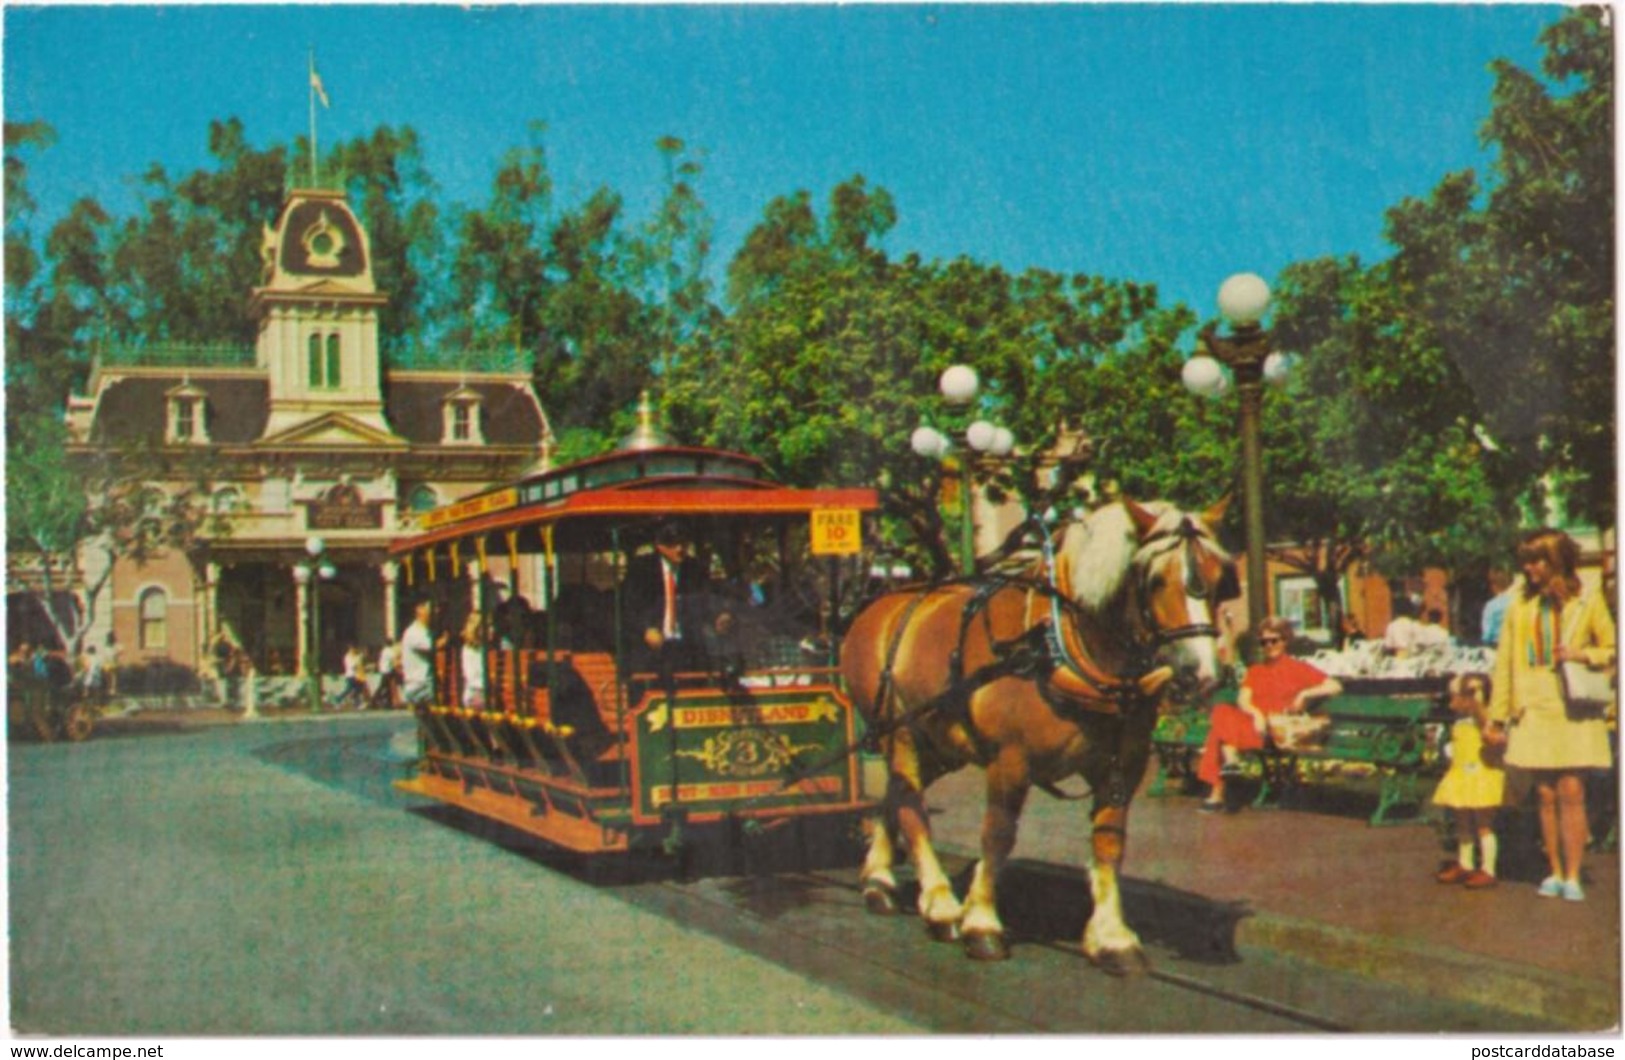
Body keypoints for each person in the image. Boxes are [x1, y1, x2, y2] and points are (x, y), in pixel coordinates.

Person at [1485, 528, 1616, 902]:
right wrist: (1497, 717)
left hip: (1572, 706)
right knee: (1544, 793)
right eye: (1525, 561)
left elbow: (1611, 647)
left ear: (1555, 560)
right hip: (1534, 706)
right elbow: (1506, 663)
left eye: (1536, 560)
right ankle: (1554, 871)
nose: (1528, 568)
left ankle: (1573, 874)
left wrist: (1581, 655)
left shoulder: (1587, 600)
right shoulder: (1519, 606)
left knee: (1572, 790)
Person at [1196, 616, 1344, 813]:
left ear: (1284, 641)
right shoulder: (1256, 670)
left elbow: (1335, 685)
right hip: (1254, 726)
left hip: (1274, 732)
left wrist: (1305, 693)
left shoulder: (1298, 668)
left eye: (1274, 640)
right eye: (1264, 641)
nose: (1269, 645)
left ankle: (1219, 790)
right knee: (1221, 711)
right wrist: (1255, 713)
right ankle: (1230, 765)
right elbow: (1243, 699)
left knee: (1217, 735)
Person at [622, 522, 730, 684]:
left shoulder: (695, 569)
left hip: (687, 649)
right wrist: (645, 629)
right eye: (673, 544)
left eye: (683, 544)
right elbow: (629, 606)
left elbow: (706, 599)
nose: (680, 549)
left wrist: (719, 616)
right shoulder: (641, 569)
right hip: (652, 649)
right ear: (659, 545)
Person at [1432, 673, 1507, 888]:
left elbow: (1491, 732)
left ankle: (1488, 868)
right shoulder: (1460, 721)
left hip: (1481, 776)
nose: (1451, 702)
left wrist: (1478, 700)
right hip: (1462, 775)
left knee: (1484, 824)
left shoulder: (1482, 719)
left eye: (1455, 696)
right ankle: (1465, 863)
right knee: (1463, 821)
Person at [400, 599, 443, 708]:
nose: (436, 612)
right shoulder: (414, 632)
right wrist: (447, 638)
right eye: (431, 609)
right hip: (420, 685)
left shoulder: (425, 631)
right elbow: (433, 647)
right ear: (419, 610)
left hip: (423, 684)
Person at [1481, 570, 1515, 648]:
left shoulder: (1491, 606)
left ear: (1494, 586)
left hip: (1496, 646)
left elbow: (1487, 633)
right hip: (1513, 645)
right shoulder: (1515, 602)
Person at [334, 644, 368, 710]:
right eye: (352, 649)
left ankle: (357, 703)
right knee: (348, 690)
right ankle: (338, 699)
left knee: (358, 690)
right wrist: (359, 664)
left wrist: (362, 657)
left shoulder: (356, 656)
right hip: (350, 675)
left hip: (356, 676)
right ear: (349, 649)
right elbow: (353, 666)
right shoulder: (348, 657)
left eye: (355, 649)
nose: (354, 650)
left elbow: (361, 660)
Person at [373, 640, 400, 709]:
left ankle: (387, 702)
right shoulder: (390, 651)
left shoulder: (384, 650)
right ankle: (375, 699)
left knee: (386, 687)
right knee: (384, 686)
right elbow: (395, 660)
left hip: (383, 670)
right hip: (388, 671)